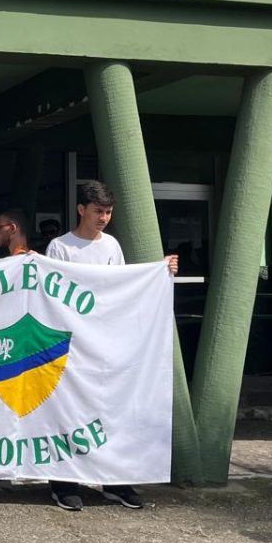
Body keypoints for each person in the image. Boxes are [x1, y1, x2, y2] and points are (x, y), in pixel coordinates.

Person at [44, 181, 177, 512]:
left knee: (111, 409)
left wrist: (159, 271)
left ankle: (115, 480)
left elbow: (121, 288)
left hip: (105, 344)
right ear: (81, 210)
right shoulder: (60, 247)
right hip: (70, 345)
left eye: (108, 212)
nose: (104, 217)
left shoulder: (112, 246)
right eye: (98, 211)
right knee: (68, 412)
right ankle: (64, 483)